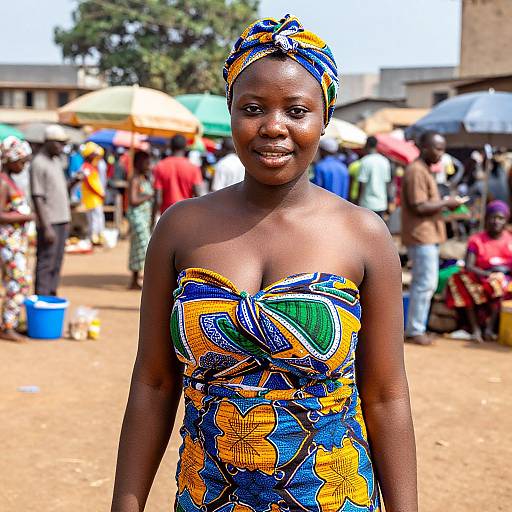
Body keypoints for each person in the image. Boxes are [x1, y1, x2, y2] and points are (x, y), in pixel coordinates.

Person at [112, 15, 417, 512]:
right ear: (230, 111)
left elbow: (385, 394)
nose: (274, 127)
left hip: (332, 496)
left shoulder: (362, 234)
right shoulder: (181, 228)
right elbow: (154, 381)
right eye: (253, 108)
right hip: (207, 497)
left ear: (324, 119)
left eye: (296, 111)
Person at [401, 131, 465, 346]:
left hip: (428, 235)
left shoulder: (424, 170)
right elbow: (419, 206)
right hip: (422, 235)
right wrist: (447, 203)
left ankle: (417, 327)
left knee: (426, 283)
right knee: (424, 284)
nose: (441, 153)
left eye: (442, 148)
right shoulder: (416, 171)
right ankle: (415, 329)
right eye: (437, 148)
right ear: (424, 147)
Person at [446, 200, 512, 342]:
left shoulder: (510, 239)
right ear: (486, 219)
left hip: (505, 278)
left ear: (506, 220)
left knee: (498, 283)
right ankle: (475, 329)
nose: (496, 222)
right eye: (492, 217)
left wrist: (500, 276)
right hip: (482, 276)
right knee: (457, 278)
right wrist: (488, 275)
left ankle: (489, 329)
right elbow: (469, 266)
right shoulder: (476, 240)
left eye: (500, 218)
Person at [31, 125, 77, 297]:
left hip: (62, 219)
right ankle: (42, 300)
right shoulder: (38, 163)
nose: (62, 147)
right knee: (46, 263)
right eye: (59, 143)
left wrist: (74, 182)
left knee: (56, 262)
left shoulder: (56, 161)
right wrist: (47, 226)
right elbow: (38, 197)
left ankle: (51, 295)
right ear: (49, 142)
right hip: (50, 221)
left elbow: (60, 189)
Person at [0, 137, 34, 342]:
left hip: (15, 243)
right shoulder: (3, 183)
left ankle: (10, 321)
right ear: (10, 160)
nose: (23, 166)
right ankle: (7, 326)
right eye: (21, 162)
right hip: (8, 244)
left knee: (19, 283)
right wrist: (27, 217)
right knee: (16, 282)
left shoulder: (9, 180)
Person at [153, 134, 207, 214]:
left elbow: (158, 199)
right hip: (186, 214)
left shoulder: (160, 166)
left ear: (170, 146)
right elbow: (198, 195)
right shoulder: (193, 168)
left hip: (166, 215)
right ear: (186, 147)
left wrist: (153, 220)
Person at [126, 151, 154, 290]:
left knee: (137, 249)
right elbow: (133, 200)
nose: (149, 165)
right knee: (144, 247)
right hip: (137, 218)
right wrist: (148, 196)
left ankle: (134, 280)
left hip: (144, 218)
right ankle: (144, 279)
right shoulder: (135, 179)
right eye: (146, 162)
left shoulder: (144, 178)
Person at [357, 136, 391, 217]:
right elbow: (387, 183)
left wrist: (357, 202)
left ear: (367, 145)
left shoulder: (365, 161)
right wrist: (388, 201)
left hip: (367, 204)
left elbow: (362, 184)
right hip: (381, 204)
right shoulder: (384, 161)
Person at [80, 142, 106, 245]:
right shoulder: (86, 167)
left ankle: (98, 237)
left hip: (95, 197)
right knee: (94, 219)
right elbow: (88, 184)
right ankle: (93, 238)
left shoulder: (91, 166)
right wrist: (98, 193)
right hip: (92, 197)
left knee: (98, 217)